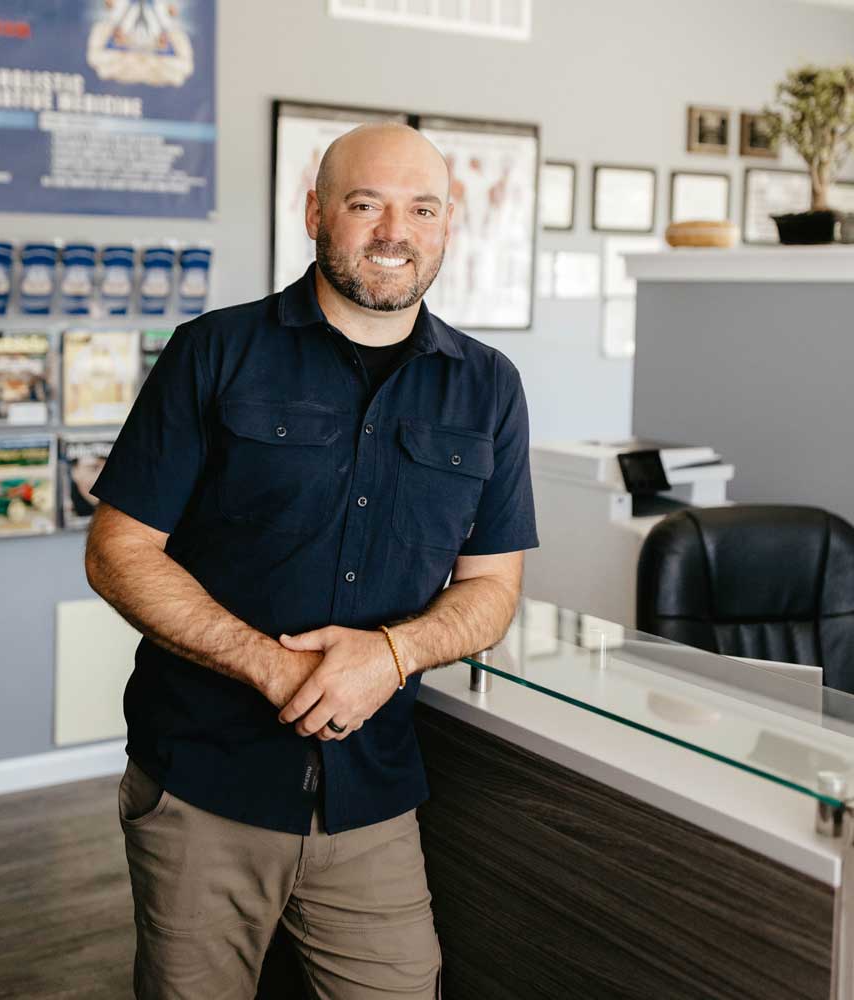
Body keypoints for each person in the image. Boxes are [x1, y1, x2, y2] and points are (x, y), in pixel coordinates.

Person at [85, 121, 539, 1000]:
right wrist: (268, 664)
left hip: (372, 799)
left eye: (421, 208)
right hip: (203, 789)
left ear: (447, 227)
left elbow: (493, 589)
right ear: (316, 214)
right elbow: (118, 551)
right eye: (365, 204)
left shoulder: (490, 385)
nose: (393, 232)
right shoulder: (214, 352)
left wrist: (394, 655)